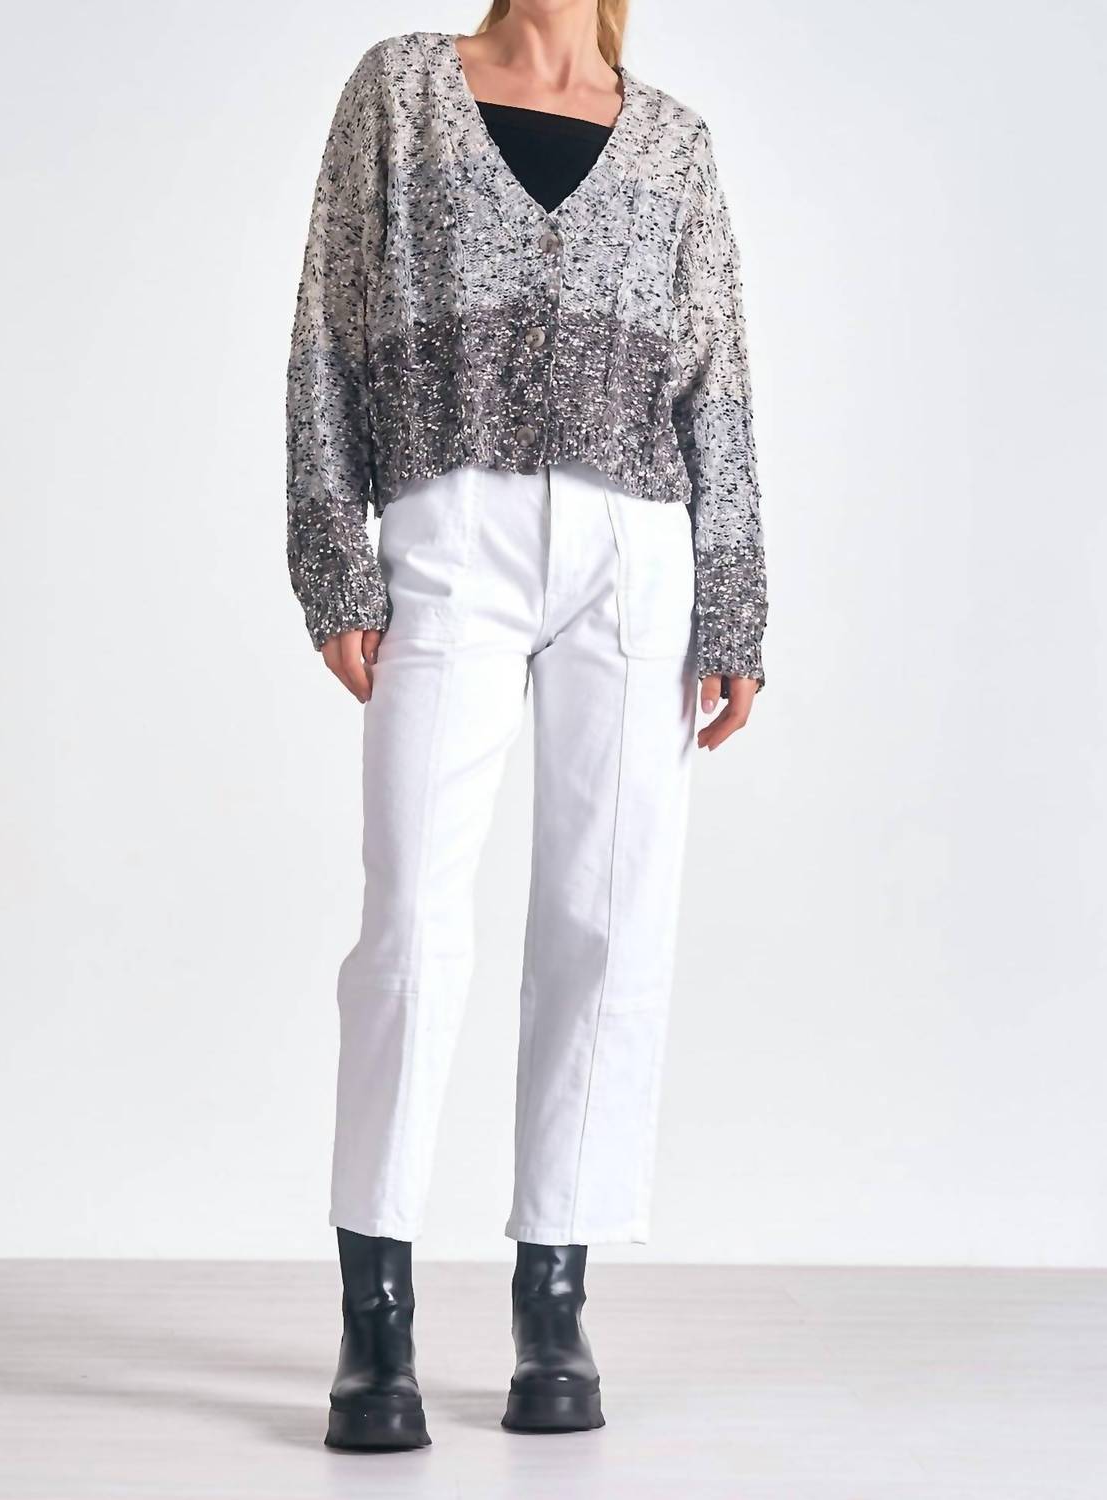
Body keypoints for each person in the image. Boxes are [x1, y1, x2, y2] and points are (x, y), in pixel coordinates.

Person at [286, 0, 767, 1452]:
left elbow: (720, 383)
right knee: (412, 924)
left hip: (639, 552)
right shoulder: (400, 92)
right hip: (451, 532)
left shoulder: (674, 141)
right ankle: (376, 1321)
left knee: (608, 923)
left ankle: (553, 1300)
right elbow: (327, 329)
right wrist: (334, 560)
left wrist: (735, 601)